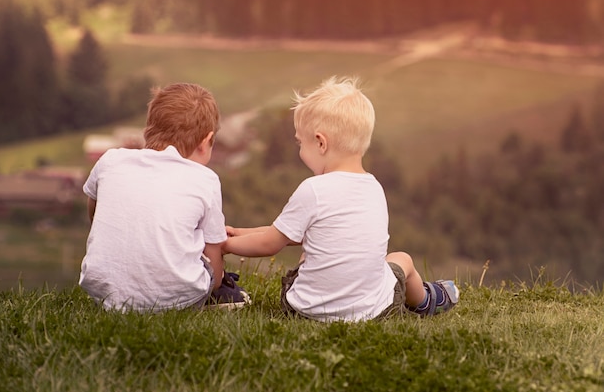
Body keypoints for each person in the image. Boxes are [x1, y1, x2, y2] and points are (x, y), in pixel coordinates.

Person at [223, 76, 458, 322]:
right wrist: (240, 232)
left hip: (307, 312)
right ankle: (426, 300)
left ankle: (329, 299)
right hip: (374, 312)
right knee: (402, 260)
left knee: (307, 255)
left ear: (320, 142)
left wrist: (225, 244)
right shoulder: (374, 188)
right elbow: (295, 233)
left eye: (301, 143)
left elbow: (270, 243)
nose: (300, 151)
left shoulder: (312, 189)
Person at [79, 82, 250, 312]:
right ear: (205, 141)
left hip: (104, 290)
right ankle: (213, 297)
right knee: (209, 266)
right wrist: (216, 277)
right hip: (175, 299)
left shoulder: (110, 161)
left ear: (148, 128)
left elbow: (95, 210)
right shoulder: (205, 179)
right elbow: (214, 257)